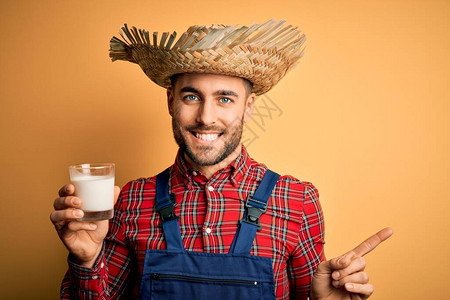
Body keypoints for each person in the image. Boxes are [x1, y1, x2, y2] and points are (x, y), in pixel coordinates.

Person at [51, 20, 393, 299]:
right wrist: (87, 259)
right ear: (171, 101)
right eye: (191, 96)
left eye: (225, 98)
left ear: (249, 106)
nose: (206, 117)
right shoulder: (133, 199)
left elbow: (314, 293)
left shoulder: (297, 200)